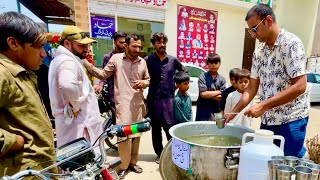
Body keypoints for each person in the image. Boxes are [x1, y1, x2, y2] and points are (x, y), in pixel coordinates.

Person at [225, 4, 309, 157]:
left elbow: (300, 85)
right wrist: (231, 114)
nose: (253, 35)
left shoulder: (291, 44)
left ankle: (302, 156)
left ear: (268, 21)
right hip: (269, 119)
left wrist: (263, 105)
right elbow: (251, 89)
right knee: (268, 161)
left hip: (292, 120)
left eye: (254, 29)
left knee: (286, 163)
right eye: (250, 31)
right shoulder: (259, 52)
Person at [82, 34, 149, 179]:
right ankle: (123, 166)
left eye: (139, 46)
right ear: (126, 45)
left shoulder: (143, 62)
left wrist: (145, 83)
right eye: (134, 46)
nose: (137, 49)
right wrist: (85, 63)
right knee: (123, 136)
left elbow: (148, 79)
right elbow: (102, 74)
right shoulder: (116, 59)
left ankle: (133, 162)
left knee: (136, 135)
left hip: (138, 104)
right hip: (123, 104)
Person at [0, 12, 57, 176]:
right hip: (22, 172)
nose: (43, 54)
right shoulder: (3, 73)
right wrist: (13, 142)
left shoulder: (22, 72)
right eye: (38, 47)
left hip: (37, 170)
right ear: (13, 43)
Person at [48, 26, 103, 149]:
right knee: (82, 164)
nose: (86, 49)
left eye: (87, 46)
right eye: (81, 46)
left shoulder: (62, 59)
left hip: (75, 125)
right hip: (80, 126)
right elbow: (67, 85)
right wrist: (75, 105)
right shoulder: (67, 62)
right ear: (67, 43)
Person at [145, 32, 186, 164]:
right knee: (156, 130)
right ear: (154, 44)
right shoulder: (148, 60)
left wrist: (178, 83)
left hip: (169, 100)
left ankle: (173, 153)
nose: (162, 45)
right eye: (158, 42)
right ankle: (159, 154)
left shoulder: (173, 60)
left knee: (170, 128)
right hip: (153, 100)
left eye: (163, 42)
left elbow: (184, 71)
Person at [94, 31, 127, 103]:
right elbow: (104, 75)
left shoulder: (129, 57)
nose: (123, 45)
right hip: (113, 94)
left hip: (127, 94)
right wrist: (101, 85)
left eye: (125, 42)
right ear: (115, 42)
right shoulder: (108, 57)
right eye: (121, 42)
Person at [195, 53, 226, 121]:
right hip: (203, 110)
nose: (214, 65)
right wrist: (219, 91)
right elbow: (203, 94)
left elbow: (221, 97)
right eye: (211, 63)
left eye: (216, 62)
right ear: (207, 64)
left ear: (219, 64)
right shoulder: (202, 77)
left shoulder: (222, 79)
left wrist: (207, 94)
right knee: (201, 129)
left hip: (217, 110)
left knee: (218, 128)